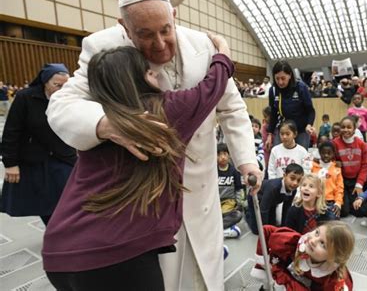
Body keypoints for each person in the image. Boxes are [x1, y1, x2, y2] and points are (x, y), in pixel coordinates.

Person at [45, 0, 261, 290]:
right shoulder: (102, 47)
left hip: (199, 189)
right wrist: (112, 125)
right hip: (141, 205)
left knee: (202, 277)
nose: (159, 45)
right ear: (124, 27)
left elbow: (231, 108)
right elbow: (61, 105)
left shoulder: (203, 45)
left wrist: (247, 163)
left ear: (174, 15)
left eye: (165, 30)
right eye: (145, 35)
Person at [43, 39, 233, 290]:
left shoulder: (97, 119)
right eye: (146, 70)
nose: (154, 72)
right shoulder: (165, 111)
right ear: (133, 80)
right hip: (116, 257)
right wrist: (223, 52)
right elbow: (212, 86)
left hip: (59, 251)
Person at [1, 64, 75, 226]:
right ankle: (55, 233)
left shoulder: (69, 98)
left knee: (71, 198)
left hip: (63, 156)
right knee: (44, 203)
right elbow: (12, 131)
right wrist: (10, 163)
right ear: (45, 81)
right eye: (57, 85)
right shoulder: (25, 97)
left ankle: (64, 231)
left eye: (65, 85)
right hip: (34, 159)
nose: (61, 89)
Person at [250, 222, 355, 290]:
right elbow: (266, 230)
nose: (313, 241)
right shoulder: (295, 242)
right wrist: (264, 261)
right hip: (276, 281)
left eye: (323, 244)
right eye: (317, 233)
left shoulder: (333, 280)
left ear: (333, 257)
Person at [265, 60, 315, 150]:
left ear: (290, 75)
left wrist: (309, 125)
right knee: (280, 159)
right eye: (277, 78)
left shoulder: (301, 88)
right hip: (283, 130)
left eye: (283, 78)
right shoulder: (272, 90)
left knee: (300, 161)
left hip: (301, 131)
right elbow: (273, 113)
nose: (280, 82)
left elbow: (310, 110)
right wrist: (270, 134)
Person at [246, 164, 304, 235]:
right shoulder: (273, 187)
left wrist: (284, 229)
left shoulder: (293, 190)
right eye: (292, 178)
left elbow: (286, 208)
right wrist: (265, 231)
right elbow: (263, 210)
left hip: (272, 202)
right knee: (258, 231)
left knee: (273, 226)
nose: (295, 183)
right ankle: (247, 212)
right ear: (284, 175)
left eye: (299, 180)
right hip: (256, 198)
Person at [333, 116, 367, 217]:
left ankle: (351, 198)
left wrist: (359, 184)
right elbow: (329, 159)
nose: (345, 130)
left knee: (360, 211)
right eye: (343, 127)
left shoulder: (362, 145)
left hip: (355, 181)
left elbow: (364, 165)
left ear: (354, 129)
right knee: (343, 212)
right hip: (341, 181)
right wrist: (335, 163)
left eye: (349, 127)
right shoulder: (335, 143)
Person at [217, 143, 244, 238]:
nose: (223, 157)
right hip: (215, 203)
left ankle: (217, 230)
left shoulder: (234, 171)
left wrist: (239, 204)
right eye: (219, 154)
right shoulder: (213, 170)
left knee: (238, 215)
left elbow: (238, 189)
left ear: (229, 155)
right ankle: (225, 230)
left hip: (229, 203)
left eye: (225, 153)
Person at [311, 142, 344, 219]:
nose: (326, 155)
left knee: (333, 221)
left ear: (333, 154)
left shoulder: (336, 168)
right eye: (323, 153)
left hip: (329, 201)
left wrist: (338, 203)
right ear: (319, 153)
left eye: (329, 153)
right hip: (314, 200)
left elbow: (340, 187)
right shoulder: (313, 166)